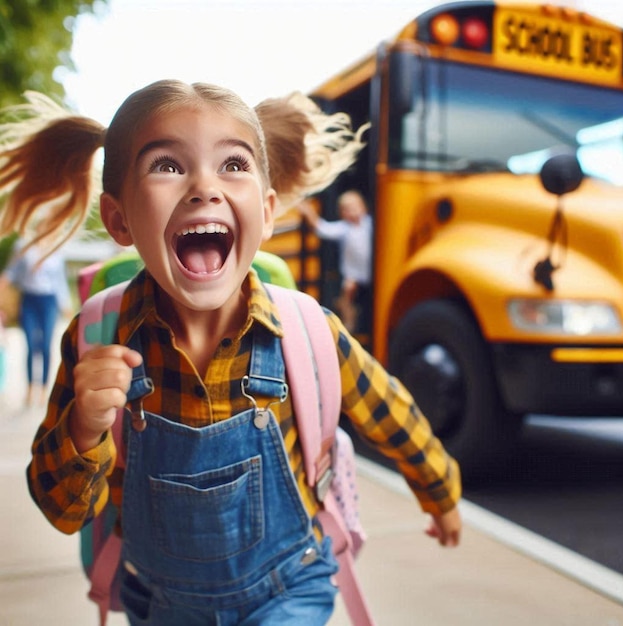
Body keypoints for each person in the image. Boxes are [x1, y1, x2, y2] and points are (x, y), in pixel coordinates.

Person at [0, 80, 462, 625]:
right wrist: (83, 428)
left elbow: (392, 414)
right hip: (160, 602)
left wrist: (440, 490)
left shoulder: (308, 332)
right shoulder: (97, 338)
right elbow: (62, 509)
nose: (203, 187)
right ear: (120, 218)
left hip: (290, 587)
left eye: (233, 165)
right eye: (167, 166)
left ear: (266, 212)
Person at [0, 224, 71, 406]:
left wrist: (66, 305)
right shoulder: (23, 246)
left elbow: (60, 281)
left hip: (49, 301)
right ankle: (31, 388)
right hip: (29, 300)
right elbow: (11, 271)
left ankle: (44, 388)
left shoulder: (56, 249)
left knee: (47, 345)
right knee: (31, 345)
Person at [298, 190, 372, 334]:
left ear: (363, 207)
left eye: (353, 207)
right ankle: (348, 323)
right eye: (345, 209)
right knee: (348, 293)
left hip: (370, 272)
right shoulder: (345, 228)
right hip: (353, 276)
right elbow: (322, 228)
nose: (350, 212)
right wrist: (308, 211)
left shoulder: (369, 225)